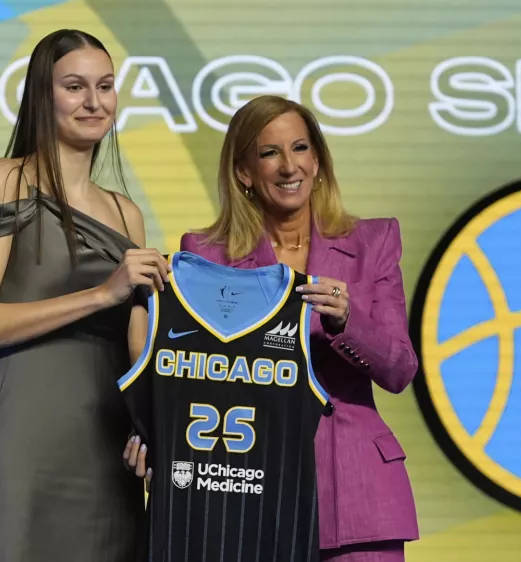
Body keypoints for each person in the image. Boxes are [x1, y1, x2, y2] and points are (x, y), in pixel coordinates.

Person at [124, 95, 419, 561]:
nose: (288, 167)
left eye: (300, 148)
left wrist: (347, 321)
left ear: (317, 161)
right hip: (246, 493)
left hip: (357, 494)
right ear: (244, 172)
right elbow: (184, 367)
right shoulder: (205, 254)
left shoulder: (373, 241)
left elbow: (400, 369)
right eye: (269, 153)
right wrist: (153, 429)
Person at [0, 29, 170, 562]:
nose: (94, 102)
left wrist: (161, 431)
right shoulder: (2, 180)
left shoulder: (124, 212)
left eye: (106, 86)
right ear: (42, 97)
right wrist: (102, 294)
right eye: (74, 87)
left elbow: (139, 350)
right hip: (20, 443)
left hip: (106, 449)